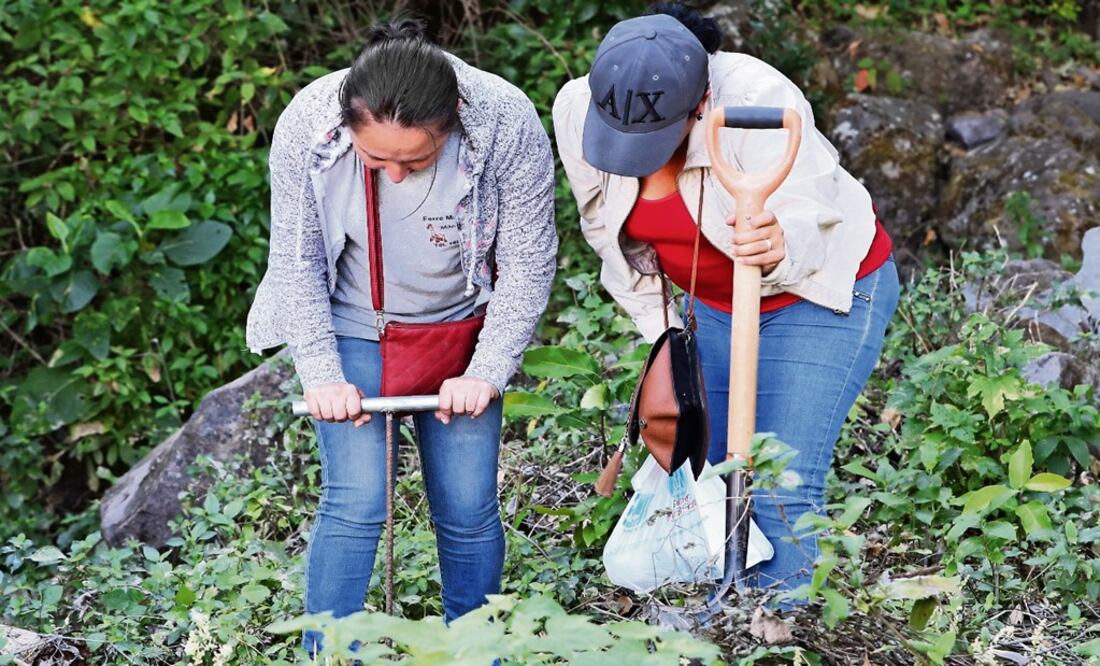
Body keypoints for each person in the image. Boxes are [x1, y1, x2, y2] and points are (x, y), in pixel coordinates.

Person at [552, 2, 899, 597]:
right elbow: (603, 226)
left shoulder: (758, 99)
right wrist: (659, 335)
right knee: (705, 468)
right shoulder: (579, 107)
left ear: (701, 108)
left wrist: (779, 241)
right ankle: (720, 612)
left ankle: (774, 628)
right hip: (713, 306)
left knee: (777, 479)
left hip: (818, 294)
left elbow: (811, 210)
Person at [245, 18, 557, 657]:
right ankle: (330, 652)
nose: (393, 175)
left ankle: (476, 650)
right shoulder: (308, 120)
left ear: (454, 120)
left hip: (460, 331)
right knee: (357, 499)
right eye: (374, 159)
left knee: (468, 507)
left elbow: (529, 259)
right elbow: (297, 261)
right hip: (354, 323)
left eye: (414, 160)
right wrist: (324, 379)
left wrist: (489, 369)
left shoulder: (503, 118)